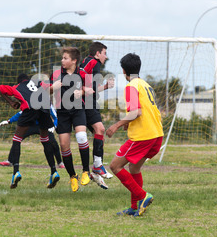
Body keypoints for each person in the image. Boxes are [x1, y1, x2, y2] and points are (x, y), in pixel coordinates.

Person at [106, 53, 164, 217]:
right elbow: (146, 111)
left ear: (123, 71)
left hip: (143, 136)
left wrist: (117, 124)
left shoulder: (131, 86)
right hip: (156, 134)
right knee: (134, 167)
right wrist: (129, 123)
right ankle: (135, 207)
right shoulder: (146, 85)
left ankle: (143, 196)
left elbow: (136, 112)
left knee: (115, 166)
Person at [51, 46, 108, 192]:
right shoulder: (57, 73)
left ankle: (85, 171)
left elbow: (89, 90)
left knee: (82, 136)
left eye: (65, 58)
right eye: (62, 58)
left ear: (74, 61)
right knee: (64, 146)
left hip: (78, 110)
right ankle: (72, 176)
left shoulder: (82, 73)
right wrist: (52, 88)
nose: (62, 60)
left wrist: (82, 91)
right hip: (62, 113)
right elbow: (45, 89)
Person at [0, 73, 60, 189]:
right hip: (45, 109)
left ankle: (16, 172)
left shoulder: (17, 87)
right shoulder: (38, 83)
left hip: (30, 108)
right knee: (45, 140)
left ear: (18, 82)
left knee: (17, 138)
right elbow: (50, 87)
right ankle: (54, 171)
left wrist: (11, 102)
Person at [80, 41, 114, 179]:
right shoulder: (92, 62)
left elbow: (91, 89)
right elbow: (79, 74)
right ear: (97, 53)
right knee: (99, 130)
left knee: (98, 133)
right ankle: (97, 166)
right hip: (86, 102)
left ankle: (97, 166)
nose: (106, 56)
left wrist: (105, 87)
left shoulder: (95, 65)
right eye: (104, 53)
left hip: (89, 101)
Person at [0, 103, 64, 169]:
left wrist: (54, 126)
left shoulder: (47, 104)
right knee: (16, 140)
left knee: (53, 142)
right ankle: (10, 161)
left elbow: (56, 117)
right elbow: (21, 113)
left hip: (43, 126)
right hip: (30, 125)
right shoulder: (29, 102)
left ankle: (60, 162)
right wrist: (8, 121)